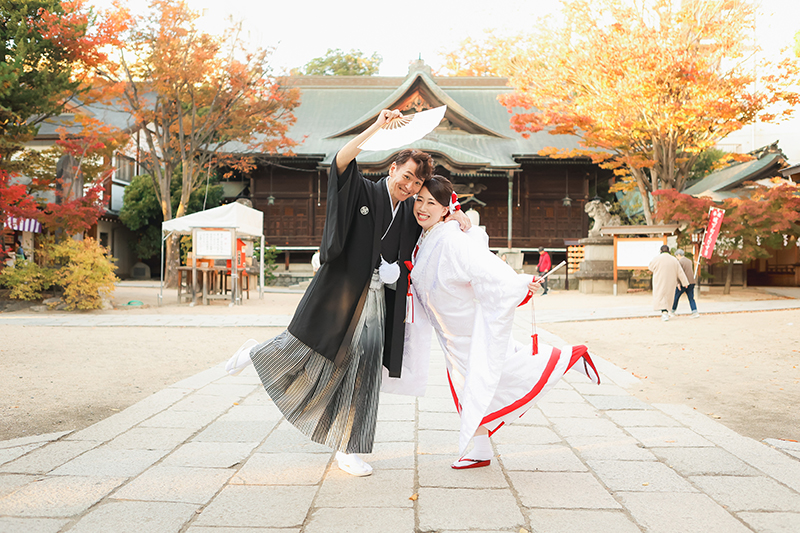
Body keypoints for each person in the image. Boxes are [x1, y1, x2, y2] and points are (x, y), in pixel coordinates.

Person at [224, 109, 470, 477]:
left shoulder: (408, 211)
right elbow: (341, 160)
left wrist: (457, 214)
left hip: (376, 302)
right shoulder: (362, 191)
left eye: (417, 184)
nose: (410, 187)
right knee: (306, 349)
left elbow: (434, 213)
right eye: (406, 177)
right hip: (341, 292)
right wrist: (376, 127)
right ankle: (258, 353)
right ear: (392, 169)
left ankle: (348, 448)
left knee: (363, 372)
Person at [383, 176, 600, 469]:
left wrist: (519, 283)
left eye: (431, 203)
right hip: (450, 331)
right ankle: (481, 448)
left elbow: (485, 268)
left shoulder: (451, 239)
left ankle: (564, 358)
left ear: (446, 208)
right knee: (474, 384)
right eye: (418, 200)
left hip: (464, 329)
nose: (422, 208)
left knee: (486, 381)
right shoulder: (429, 235)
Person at [649, 245, 688, 322]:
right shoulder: (674, 259)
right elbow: (680, 272)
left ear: (661, 251)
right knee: (668, 296)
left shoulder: (657, 259)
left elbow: (650, 267)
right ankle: (666, 312)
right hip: (670, 280)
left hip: (659, 280)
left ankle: (664, 313)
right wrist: (685, 282)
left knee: (660, 296)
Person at [672, 249, 699, 318]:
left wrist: (678, 283)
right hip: (691, 281)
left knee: (676, 296)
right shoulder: (689, 261)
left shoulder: (680, 262)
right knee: (691, 298)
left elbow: (679, 273)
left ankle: (672, 311)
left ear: (678, 255)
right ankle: (695, 312)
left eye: (676, 255)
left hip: (683, 282)